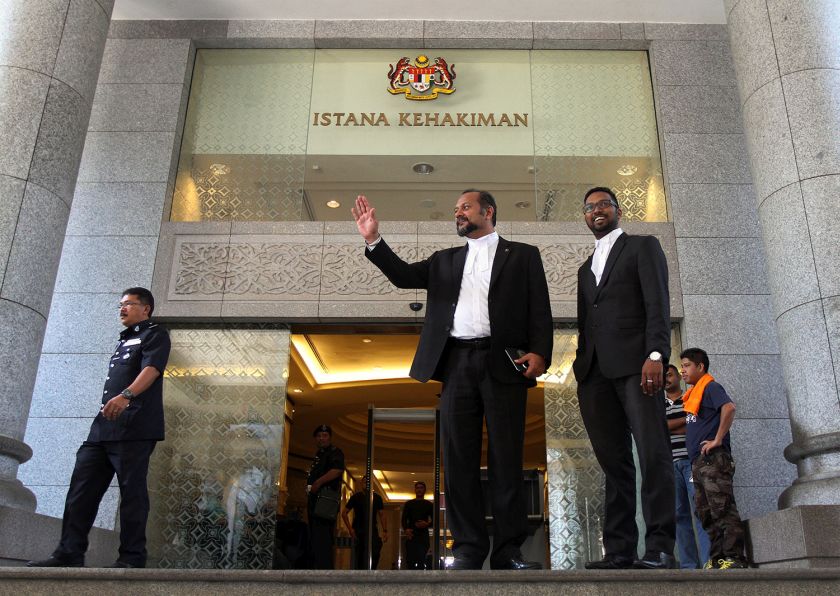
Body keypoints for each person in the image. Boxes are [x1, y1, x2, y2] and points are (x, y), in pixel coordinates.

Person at [353, 191, 552, 570]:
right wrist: (373, 239)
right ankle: (468, 548)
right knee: (458, 458)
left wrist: (540, 352)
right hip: (457, 362)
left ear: (488, 211)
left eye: (465, 207)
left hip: (504, 362)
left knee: (506, 457)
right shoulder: (445, 260)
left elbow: (539, 307)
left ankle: (509, 550)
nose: (458, 213)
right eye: (456, 209)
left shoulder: (524, 255)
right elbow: (403, 276)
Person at [27, 287, 171, 568]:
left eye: (129, 304)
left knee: (132, 493)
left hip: (135, 427)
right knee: (82, 488)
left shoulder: (155, 334)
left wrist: (126, 396)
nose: (122, 309)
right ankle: (69, 552)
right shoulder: (124, 339)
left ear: (146, 309)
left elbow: (151, 369)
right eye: (120, 304)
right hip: (103, 428)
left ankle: (131, 557)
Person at [573, 187, 676, 570]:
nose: (596, 210)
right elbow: (588, 322)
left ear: (617, 210)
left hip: (637, 367)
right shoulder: (585, 267)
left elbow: (657, 303)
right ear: (585, 217)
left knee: (653, 454)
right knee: (614, 463)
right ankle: (618, 550)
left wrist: (656, 354)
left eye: (603, 204)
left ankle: (661, 548)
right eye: (589, 207)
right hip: (595, 374)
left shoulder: (642, 246)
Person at [680, 348, 747, 569]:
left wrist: (717, 439)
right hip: (699, 462)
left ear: (700, 367)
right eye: (682, 366)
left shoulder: (711, 387)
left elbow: (729, 408)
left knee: (722, 508)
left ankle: (734, 558)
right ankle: (717, 558)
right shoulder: (692, 395)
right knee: (705, 512)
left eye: (687, 365)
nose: (683, 371)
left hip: (714, 459)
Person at [665, 363, 711, 568]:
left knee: (700, 511)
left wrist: (668, 427)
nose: (667, 378)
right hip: (669, 465)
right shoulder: (656, 405)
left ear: (678, 377)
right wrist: (684, 422)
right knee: (678, 516)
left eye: (670, 374)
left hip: (692, 463)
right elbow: (657, 428)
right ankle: (689, 566)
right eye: (663, 376)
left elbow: (697, 426)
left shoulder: (691, 397)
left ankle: (708, 561)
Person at [306, 424, 345, 569]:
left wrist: (318, 482)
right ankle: (318, 569)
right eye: (319, 436)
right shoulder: (319, 454)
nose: (322, 438)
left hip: (325, 501)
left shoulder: (335, 452)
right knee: (315, 538)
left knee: (323, 538)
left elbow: (337, 470)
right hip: (315, 501)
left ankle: (324, 572)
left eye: (325, 435)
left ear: (330, 437)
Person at [342, 475, 388, 569]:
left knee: (375, 551)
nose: (366, 484)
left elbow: (382, 514)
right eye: (364, 482)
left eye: (368, 482)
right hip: (358, 529)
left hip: (372, 529)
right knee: (360, 555)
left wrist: (385, 530)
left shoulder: (377, 498)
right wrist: (350, 529)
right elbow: (344, 513)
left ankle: (371, 571)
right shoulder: (356, 497)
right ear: (361, 483)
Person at [401, 481, 434, 569]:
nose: (419, 490)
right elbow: (404, 519)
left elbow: (435, 521)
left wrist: (426, 524)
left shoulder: (429, 505)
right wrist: (406, 529)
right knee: (410, 560)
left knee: (421, 560)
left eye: (421, 488)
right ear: (415, 490)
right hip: (411, 534)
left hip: (423, 535)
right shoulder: (409, 504)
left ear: (425, 490)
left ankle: (421, 581)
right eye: (417, 488)